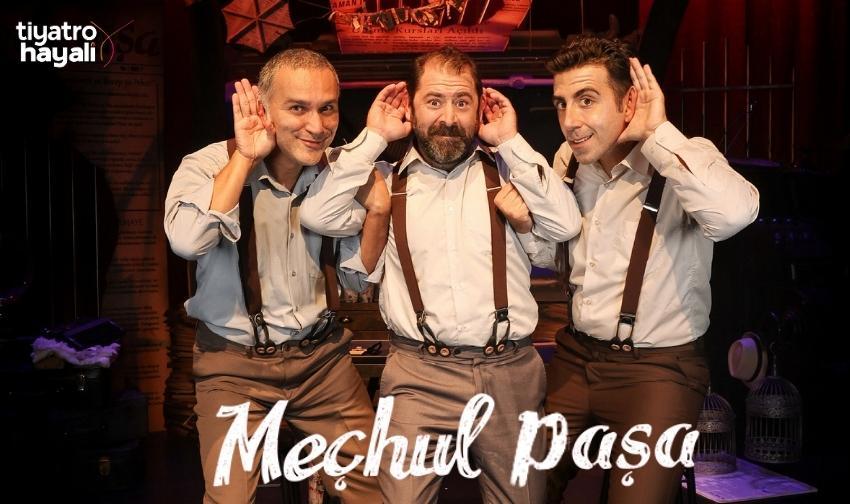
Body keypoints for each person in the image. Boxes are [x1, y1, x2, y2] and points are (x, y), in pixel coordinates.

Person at [299, 46, 581, 503]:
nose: (448, 117)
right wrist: (373, 137)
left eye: (462, 102)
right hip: (418, 373)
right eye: (434, 101)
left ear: (480, 108)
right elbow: (317, 213)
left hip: (508, 370)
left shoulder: (511, 171)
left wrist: (510, 140)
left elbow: (566, 225)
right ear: (409, 108)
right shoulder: (383, 180)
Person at [164, 48, 398, 503]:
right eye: (298, 108)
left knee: (372, 492)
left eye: (327, 108)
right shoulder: (208, 164)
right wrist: (244, 158)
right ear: (264, 107)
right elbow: (188, 242)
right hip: (233, 365)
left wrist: (378, 211)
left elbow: (355, 281)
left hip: (322, 362)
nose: (316, 125)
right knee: (229, 499)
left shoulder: (339, 174)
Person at [538, 36, 761, 504]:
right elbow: (546, 251)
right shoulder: (568, 161)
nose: (570, 120)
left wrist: (657, 132)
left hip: (659, 369)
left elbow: (735, 215)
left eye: (586, 100)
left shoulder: (684, 156)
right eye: (561, 103)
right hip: (576, 357)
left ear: (629, 102)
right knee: (521, 486)